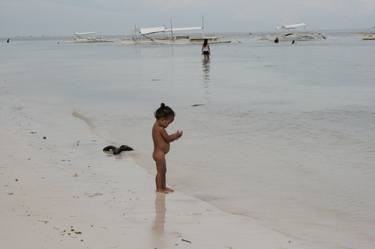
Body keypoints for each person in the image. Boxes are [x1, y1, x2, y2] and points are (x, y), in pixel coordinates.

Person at [152, 103, 183, 193]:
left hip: (160, 154)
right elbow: (168, 139)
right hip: (159, 154)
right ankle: (159, 188)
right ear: (162, 119)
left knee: (163, 171)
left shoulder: (157, 126)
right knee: (160, 172)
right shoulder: (160, 129)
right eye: (168, 122)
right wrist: (176, 135)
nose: (168, 125)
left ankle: (163, 187)